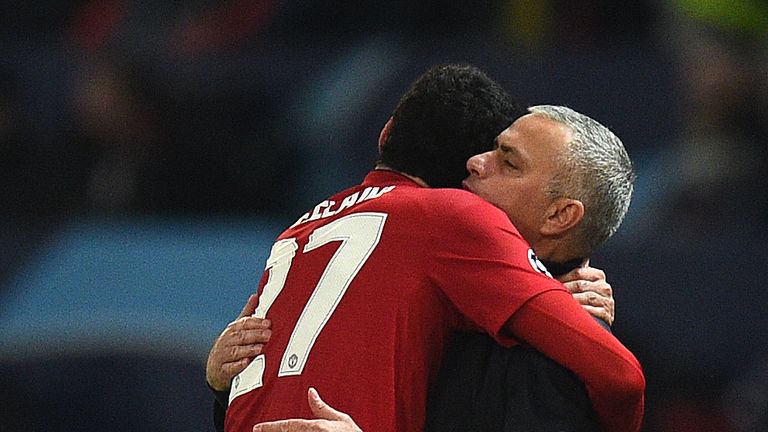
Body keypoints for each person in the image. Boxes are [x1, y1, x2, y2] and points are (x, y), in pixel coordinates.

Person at [217, 65, 644, 432]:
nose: (476, 162)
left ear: (559, 216)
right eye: (489, 148)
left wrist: (221, 385)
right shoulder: (434, 259)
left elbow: (623, 379)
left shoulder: (302, 228)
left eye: (508, 161)